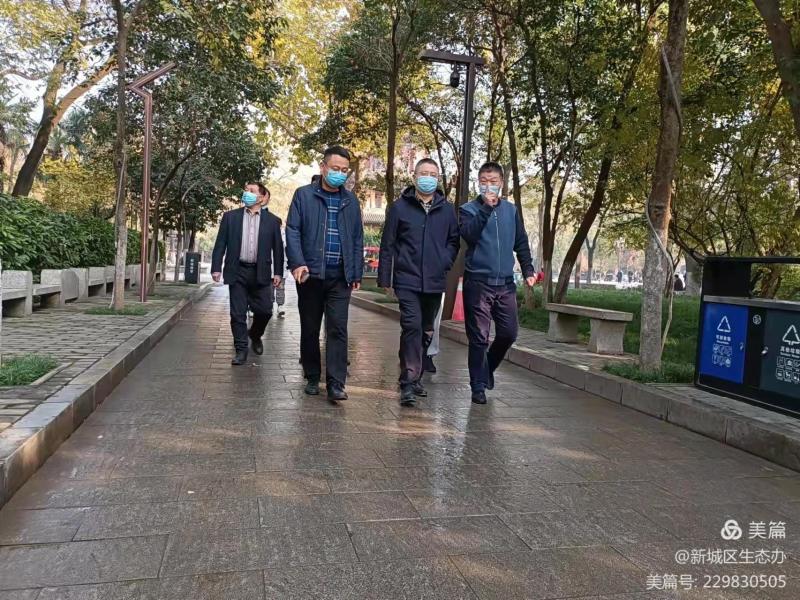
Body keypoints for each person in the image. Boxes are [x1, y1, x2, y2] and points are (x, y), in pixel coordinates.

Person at [378, 158, 459, 406]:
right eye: (424, 173)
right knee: (411, 325)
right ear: (414, 177)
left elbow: (453, 241)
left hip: (434, 280)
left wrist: (444, 261)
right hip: (407, 278)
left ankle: (415, 374)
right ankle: (408, 382)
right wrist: (385, 278)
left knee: (425, 330)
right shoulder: (399, 208)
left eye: (433, 174)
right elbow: (388, 244)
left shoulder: (447, 210)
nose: (428, 178)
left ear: (438, 178)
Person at [286, 145, 364, 402]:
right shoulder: (303, 195)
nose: (340, 173)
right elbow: (293, 231)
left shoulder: (350, 201)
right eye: (335, 168)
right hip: (310, 275)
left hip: (340, 276)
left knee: (337, 328)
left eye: (344, 170)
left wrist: (356, 272)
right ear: (323, 167)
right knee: (310, 328)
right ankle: (312, 375)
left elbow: (356, 237)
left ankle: (336, 383)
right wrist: (297, 263)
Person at [459, 162, 535, 404]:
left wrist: (528, 269)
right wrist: (485, 208)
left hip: (505, 284)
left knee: (508, 333)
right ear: (478, 182)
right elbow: (469, 235)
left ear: (502, 183)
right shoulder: (468, 209)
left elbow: (521, 242)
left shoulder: (511, 211)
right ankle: (477, 387)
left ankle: (487, 369)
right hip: (478, 282)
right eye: (484, 181)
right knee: (479, 337)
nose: (488, 186)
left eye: (493, 181)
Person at [211, 182, 284, 365]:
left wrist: (278, 273)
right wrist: (216, 267)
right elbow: (220, 244)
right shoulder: (230, 217)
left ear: (261, 197)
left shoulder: (272, 221)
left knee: (265, 310)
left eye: (252, 191)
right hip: (237, 270)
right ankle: (241, 349)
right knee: (237, 313)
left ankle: (255, 334)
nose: (247, 193)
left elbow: (278, 249)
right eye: (246, 190)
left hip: (261, 272)